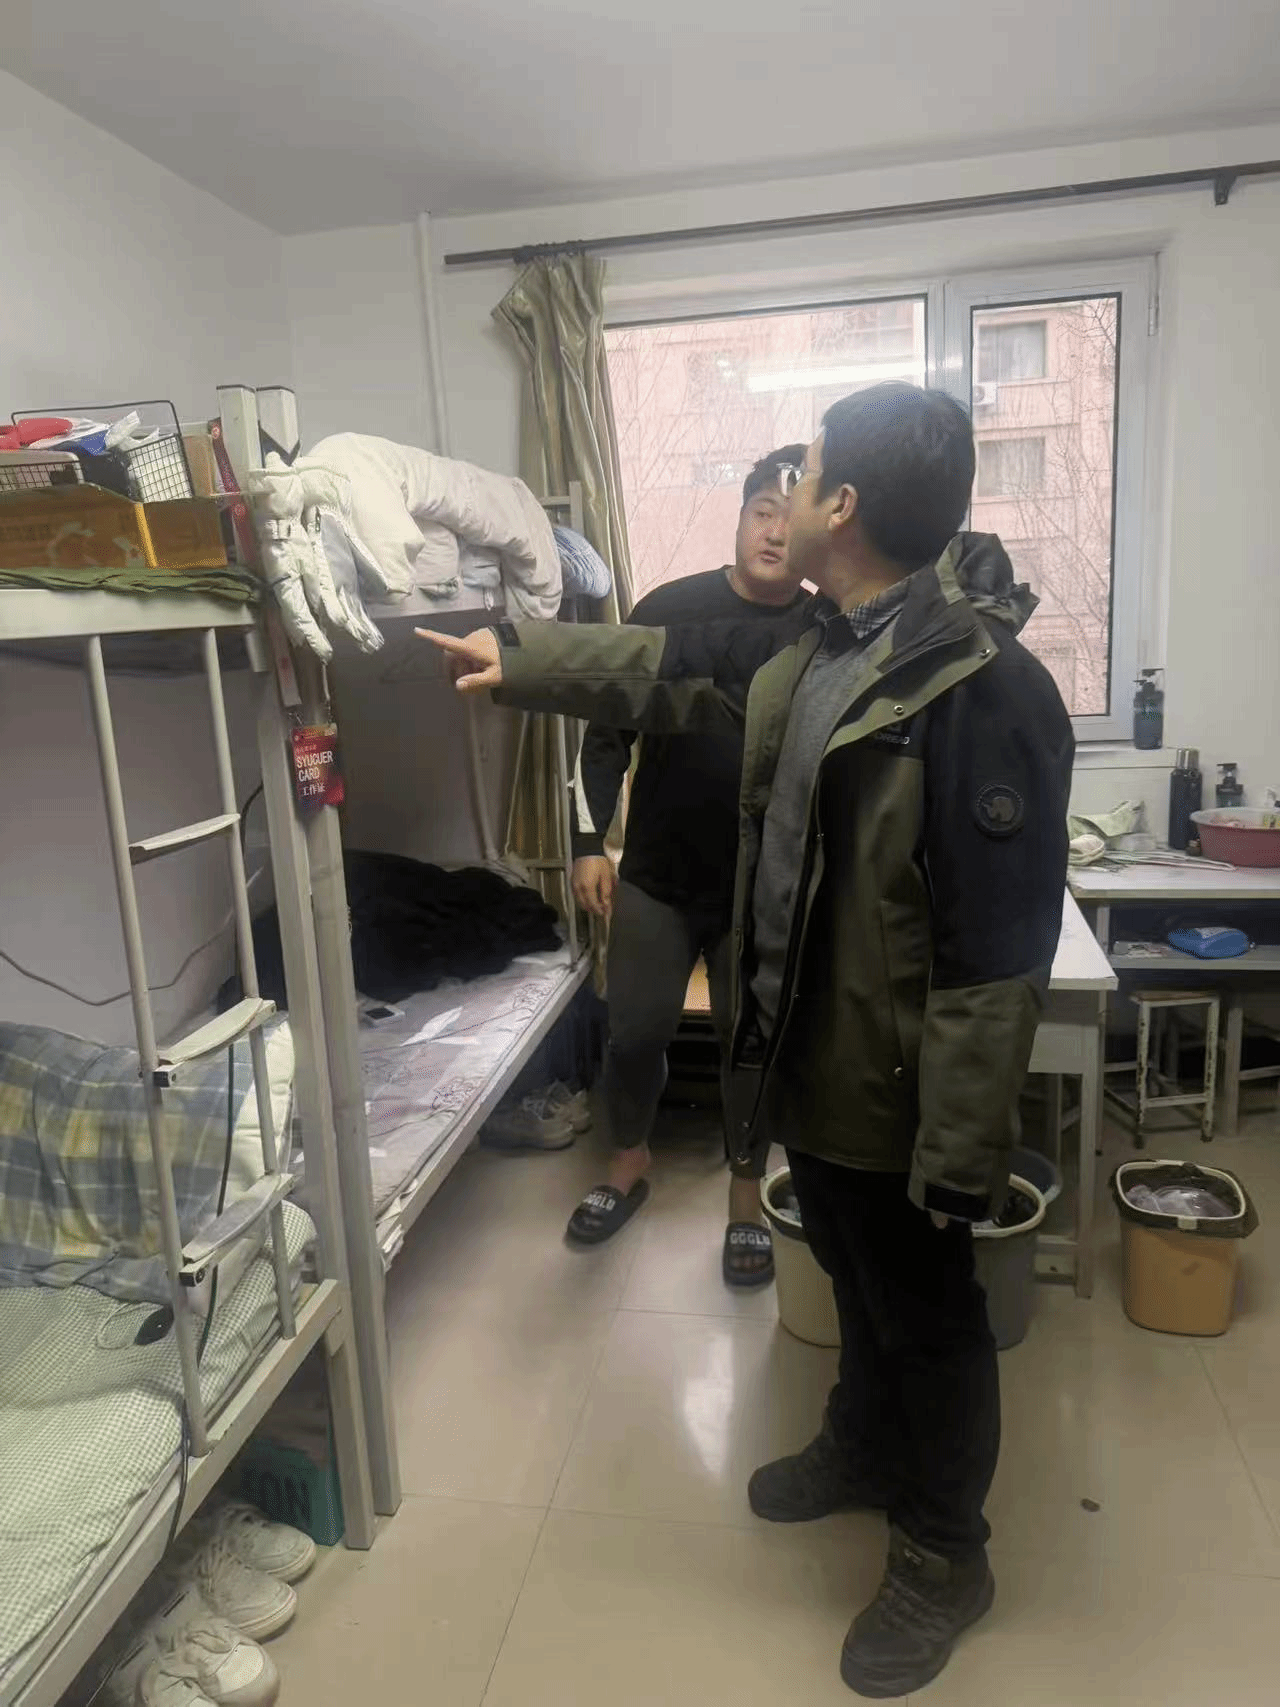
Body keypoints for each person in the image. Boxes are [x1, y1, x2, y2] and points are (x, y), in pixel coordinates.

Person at [418, 382, 1072, 1698]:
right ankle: (861, 1447)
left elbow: (1000, 950)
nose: (787, 492)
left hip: (903, 1084)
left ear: (844, 506)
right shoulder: (821, 648)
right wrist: (520, 657)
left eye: (807, 472)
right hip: (813, 1052)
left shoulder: (984, 688)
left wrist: (960, 1151)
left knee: (928, 1314)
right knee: (853, 1279)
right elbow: (670, 663)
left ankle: (945, 1552)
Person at [567, 443, 808, 1281]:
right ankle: (628, 1160)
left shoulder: (820, 631)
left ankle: (746, 1192)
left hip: (761, 888)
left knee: (751, 1043)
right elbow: (605, 730)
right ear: (740, 517)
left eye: (791, 521)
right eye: (763, 513)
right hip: (658, 875)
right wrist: (587, 842)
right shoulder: (670, 609)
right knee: (634, 1029)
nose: (774, 533)